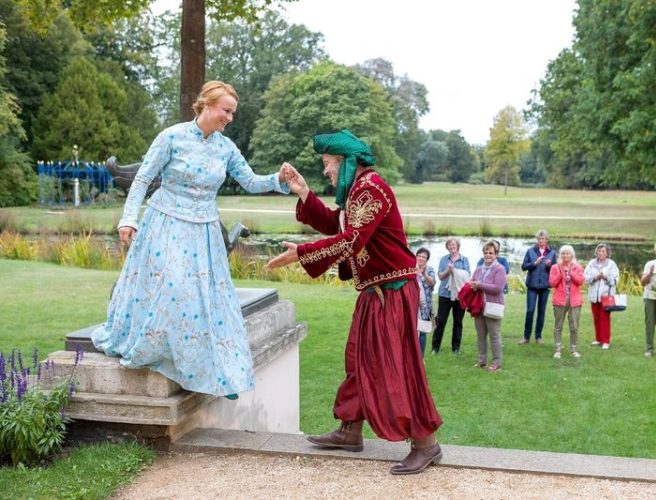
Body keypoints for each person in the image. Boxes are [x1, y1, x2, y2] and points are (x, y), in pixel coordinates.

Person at [91, 81, 290, 399]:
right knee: (174, 289)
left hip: (203, 232)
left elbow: (251, 181)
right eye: (226, 110)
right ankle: (161, 353)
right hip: (165, 224)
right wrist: (128, 218)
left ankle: (215, 372)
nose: (230, 118)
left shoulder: (226, 148)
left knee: (204, 302)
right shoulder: (171, 136)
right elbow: (143, 178)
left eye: (233, 112)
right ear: (207, 104)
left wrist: (277, 180)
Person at [267, 130, 443, 475]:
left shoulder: (371, 188)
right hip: (375, 291)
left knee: (399, 365)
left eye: (328, 164)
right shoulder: (359, 192)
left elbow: (350, 241)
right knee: (357, 359)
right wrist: (303, 192)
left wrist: (301, 254)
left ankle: (427, 444)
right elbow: (338, 222)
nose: (326, 172)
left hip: (392, 291)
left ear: (346, 162)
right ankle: (350, 430)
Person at [469, 240, 507, 372]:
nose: (488, 255)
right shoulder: (479, 269)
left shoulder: (500, 269)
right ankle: (482, 361)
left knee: (494, 335)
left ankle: (496, 363)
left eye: (491, 252)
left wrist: (479, 285)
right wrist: (472, 286)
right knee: (480, 335)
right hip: (479, 306)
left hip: (493, 306)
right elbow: (472, 282)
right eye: (486, 252)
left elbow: (497, 288)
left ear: (496, 254)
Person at [432, 238, 471, 355]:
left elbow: (467, 276)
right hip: (445, 294)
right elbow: (440, 276)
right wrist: (448, 271)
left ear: (457, 246)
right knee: (441, 321)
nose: (451, 246)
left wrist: (455, 271)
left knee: (458, 322)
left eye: (453, 244)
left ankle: (456, 348)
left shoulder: (465, 260)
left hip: (460, 295)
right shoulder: (444, 259)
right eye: (449, 244)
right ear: (447, 247)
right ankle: (435, 347)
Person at [520, 229, 557, 344]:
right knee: (530, 311)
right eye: (539, 239)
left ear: (547, 240)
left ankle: (538, 336)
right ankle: (526, 337)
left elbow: (555, 270)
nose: (541, 241)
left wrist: (549, 266)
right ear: (537, 239)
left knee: (541, 312)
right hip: (532, 285)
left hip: (545, 286)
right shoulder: (530, 251)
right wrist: (534, 263)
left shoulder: (552, 253)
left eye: (543, 239)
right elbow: (524, 267)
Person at [548, 244, 584, 359]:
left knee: (574, 327)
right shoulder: (555, 267)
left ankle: (573, 349)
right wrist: (560, 274)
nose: (565, 255)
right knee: (558, 326)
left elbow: (580, 281)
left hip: (575, 300)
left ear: (572, 255)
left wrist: (571, 273)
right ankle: (558, 349)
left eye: (567, 253)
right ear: (560, 255)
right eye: (563, 253)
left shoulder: (577, 267)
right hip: (559, 300)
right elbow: (552, 283)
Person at [584, 243, 620, 350]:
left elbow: (615, 279)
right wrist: (595, 277)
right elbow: (585, 277)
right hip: (594, 295)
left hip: (606, 296)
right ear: (596, 252)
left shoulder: (612, 264)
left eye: (603, 251)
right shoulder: (591, 263)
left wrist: (605, 277)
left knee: (604, 318)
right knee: (596, 318)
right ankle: (598, 339)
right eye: (599, 251)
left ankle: (606, 341)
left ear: (607, 253)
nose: (601, 253)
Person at [415, 247, 436, 358]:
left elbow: (432, 283)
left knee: (422, 331)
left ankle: (420, 358)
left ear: (427, 260)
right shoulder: (410, 268)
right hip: (412, 304)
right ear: (416, 256)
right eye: (420, 255)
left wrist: (424, 274)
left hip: (424, 306)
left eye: (424, 257)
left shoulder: (430, 269)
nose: (421, 258)